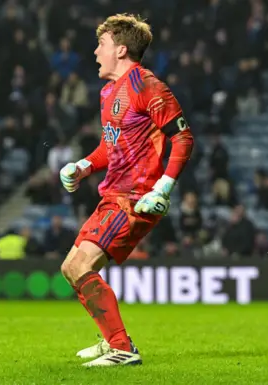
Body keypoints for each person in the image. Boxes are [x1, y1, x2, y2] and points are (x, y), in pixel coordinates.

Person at [58, 14, 194, 367]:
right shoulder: (108, 92)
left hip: (136, 198)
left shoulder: (147, 85)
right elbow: (110, 144)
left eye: (100, 44)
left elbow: (182, 136)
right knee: (72, 268)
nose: (94, 52)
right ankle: (113, 340)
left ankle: (122, 349)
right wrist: (84, 166)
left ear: (120, 49)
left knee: (81, 265)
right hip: (112, 195)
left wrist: (164, 187)